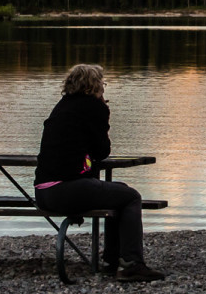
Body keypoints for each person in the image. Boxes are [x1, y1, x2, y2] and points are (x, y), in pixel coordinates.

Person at [35, 64, 164, 282]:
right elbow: (102, 151)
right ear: (95, 86)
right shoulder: (93, 107)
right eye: (102, 84)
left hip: (43, 192)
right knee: (131, 197)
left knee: (119, 193)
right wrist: (103, 111)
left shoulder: (62, 106)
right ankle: (131, 264)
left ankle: (112, 262)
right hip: (67, 189)